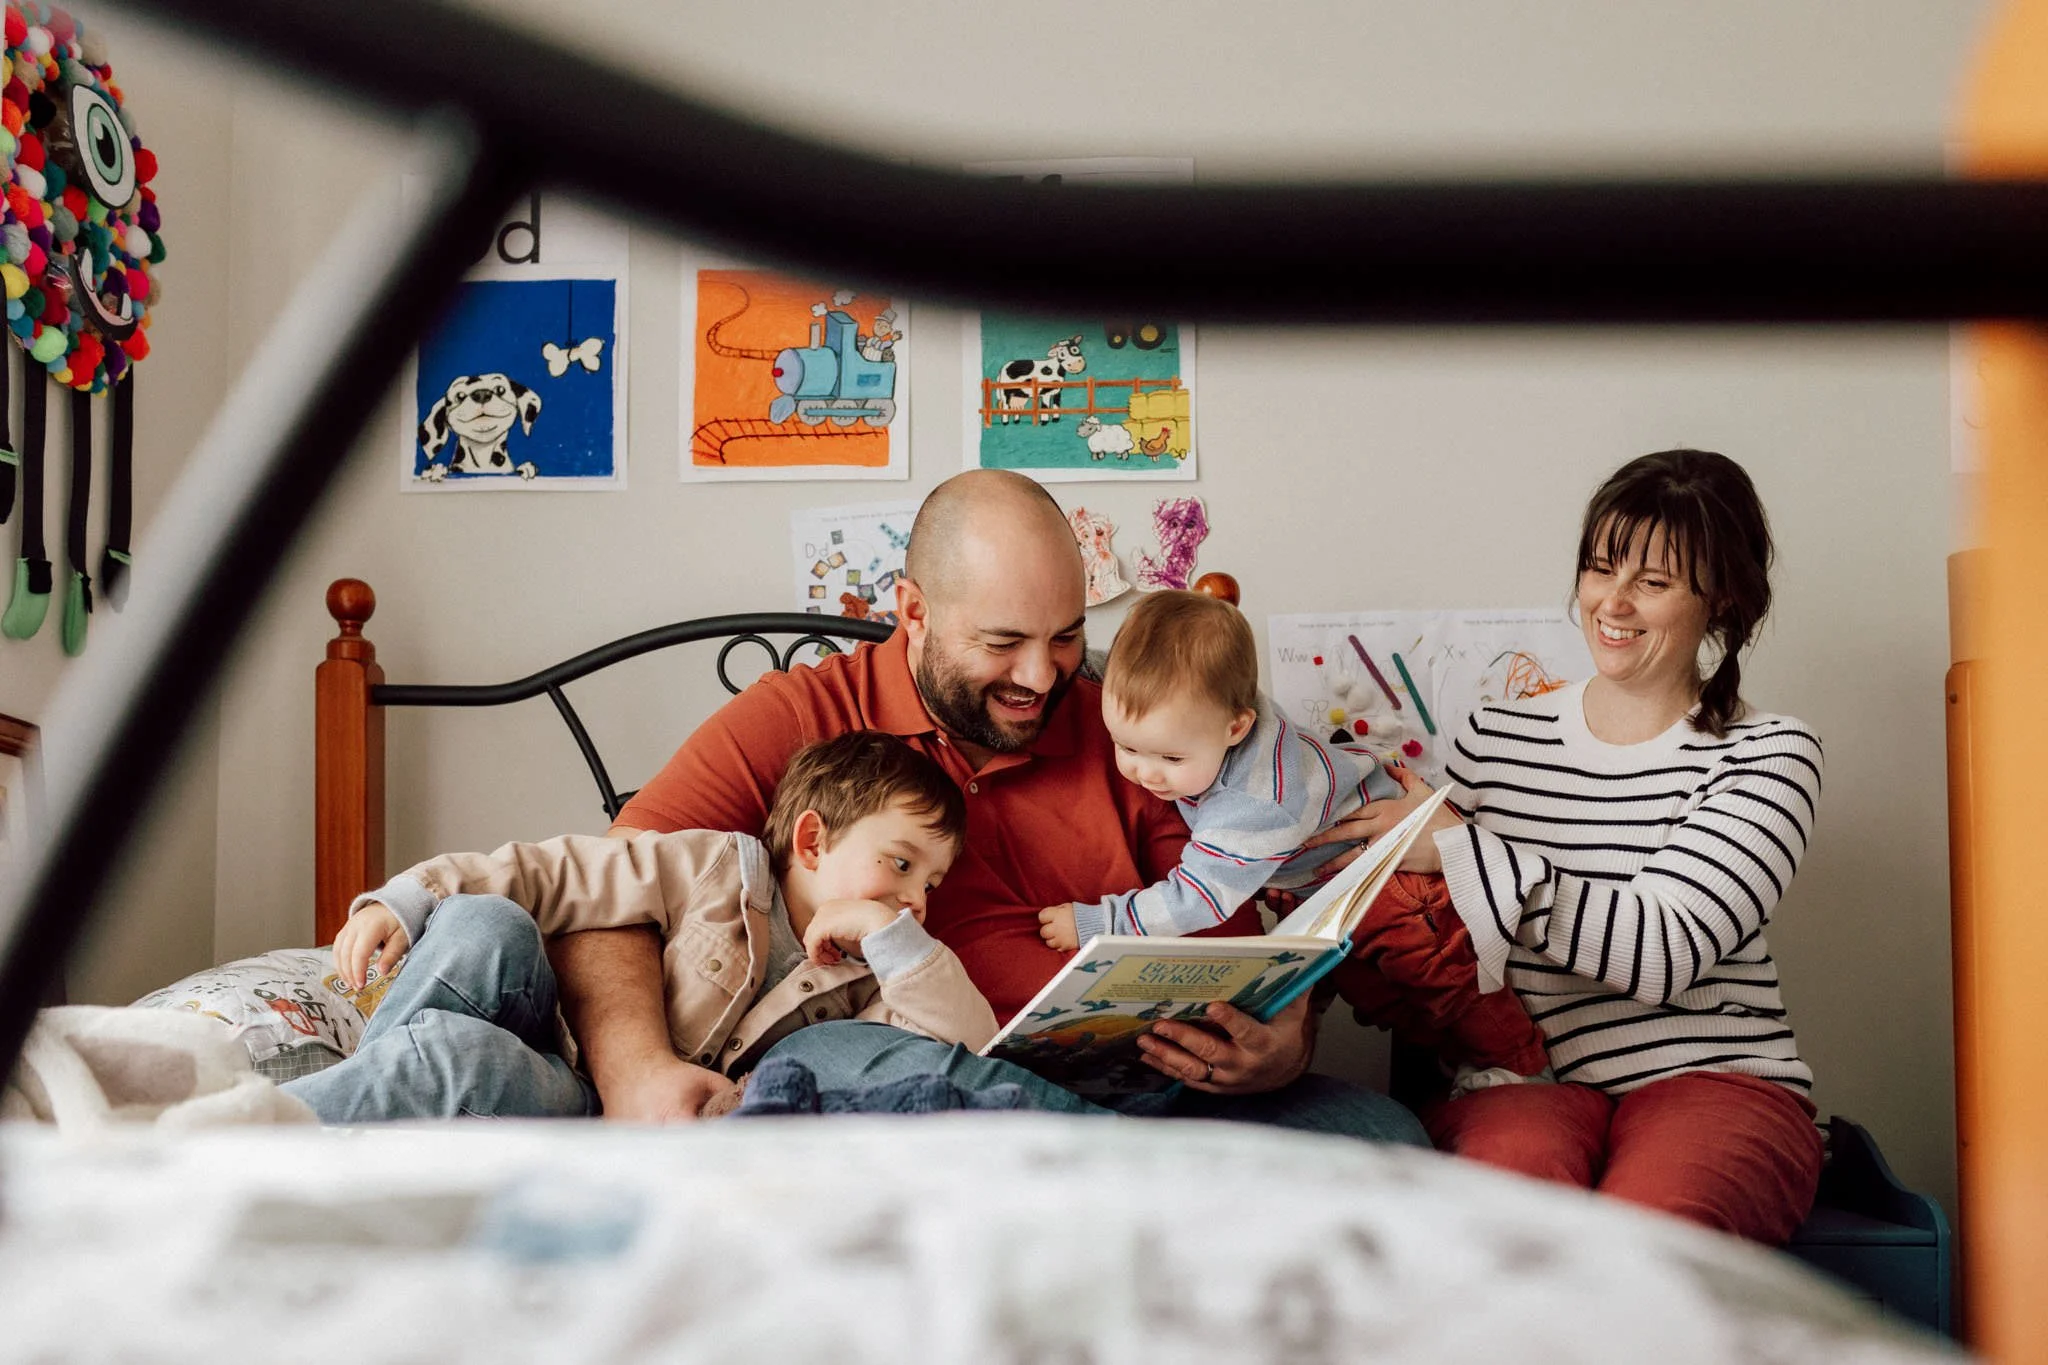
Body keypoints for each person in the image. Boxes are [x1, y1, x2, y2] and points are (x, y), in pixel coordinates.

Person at [551, 468, 1429, 1140]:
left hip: (1150, 1094)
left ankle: (1106, 1175)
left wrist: (1285, 1037)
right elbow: (605, 890)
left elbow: (1248, 936)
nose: (1042, 677)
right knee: (832, 1062)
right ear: (913, 612)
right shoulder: (798, 714)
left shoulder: (1141, 737)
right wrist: (635, 1070)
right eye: (1002, 642)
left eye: (1066, 636)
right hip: (914, 1086)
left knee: (1384, 1139)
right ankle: (1111, 1176)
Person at [1311, 449, 1825, 1243]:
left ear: (1719, 598)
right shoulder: (1494, 736)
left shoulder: (1769, 753)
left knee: (1658, 1238)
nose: (1610, 602)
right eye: (1599, 567)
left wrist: (1465, 849)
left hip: (1713, 1076)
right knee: (1505, 1225)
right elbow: (1417, 903)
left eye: (1651, 582)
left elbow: (1663, 949)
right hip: (1525, 1080)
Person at [282, 730, 997, 1122]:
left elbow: (965, 1044)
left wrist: (891, 934)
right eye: (900, 864)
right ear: (811, 840)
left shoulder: (866, 974)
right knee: (484, 920)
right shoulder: (715, 866)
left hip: (579, 1099)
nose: (915, 898)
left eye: (930, 882)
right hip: (553, 1017)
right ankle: (345, 1103)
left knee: (458, 1053)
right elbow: (555, 871)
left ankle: (248, 1135)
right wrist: (408, 896)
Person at [1036, 589, 1549, 1084]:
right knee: (1382, 999)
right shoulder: (1211, 703)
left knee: (1447, 983)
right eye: (1127, 746)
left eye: (1171, 758)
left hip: (1392, 881)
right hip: (1326, 889)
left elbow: (1198, 899)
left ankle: (1522, 1068)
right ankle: (1459, 1061)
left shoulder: (1255, 802)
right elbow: (1126, 677)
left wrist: (1100, 922)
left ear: (1236, 728)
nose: (1146, 773)